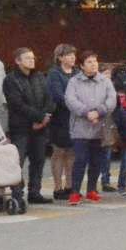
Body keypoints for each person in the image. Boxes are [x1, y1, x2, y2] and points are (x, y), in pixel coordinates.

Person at [61, 50, 116, 204]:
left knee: (97, 160)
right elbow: (70, 100)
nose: (94, 65)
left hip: (100, 127)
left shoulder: (105, 81)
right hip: (80, 128)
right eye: (90, 62)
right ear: (82, 66)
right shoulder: (74, 81)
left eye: (95, 61)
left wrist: (99, 112)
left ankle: (91, 189)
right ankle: (75, 192)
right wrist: (86, 112)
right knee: (80, 159)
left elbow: (112, 100)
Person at [3, 47, 52, 204]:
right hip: (21, 127)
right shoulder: (11, 79)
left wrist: (45, 117)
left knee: (38, 160)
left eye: (33, 57)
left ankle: (34, 192)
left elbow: (49, 98)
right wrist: (38, 117)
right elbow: (16, 103)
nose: (32, 60)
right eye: (27, 58)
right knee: (18, 161)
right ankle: (17, 193)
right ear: (18, 61)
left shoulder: (39, 76)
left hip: (41, 126)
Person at [45, 43, 78, 200]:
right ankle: (57, 187)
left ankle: (70, 185)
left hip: (76, 117)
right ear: (60, 58)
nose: (72, 57)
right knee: (59, 151)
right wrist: (75, 104)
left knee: (72, 152)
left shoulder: (77, 72)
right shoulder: (54, 73)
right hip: (60, 117)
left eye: (73, 55)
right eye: (68, 55)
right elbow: (58, 95)